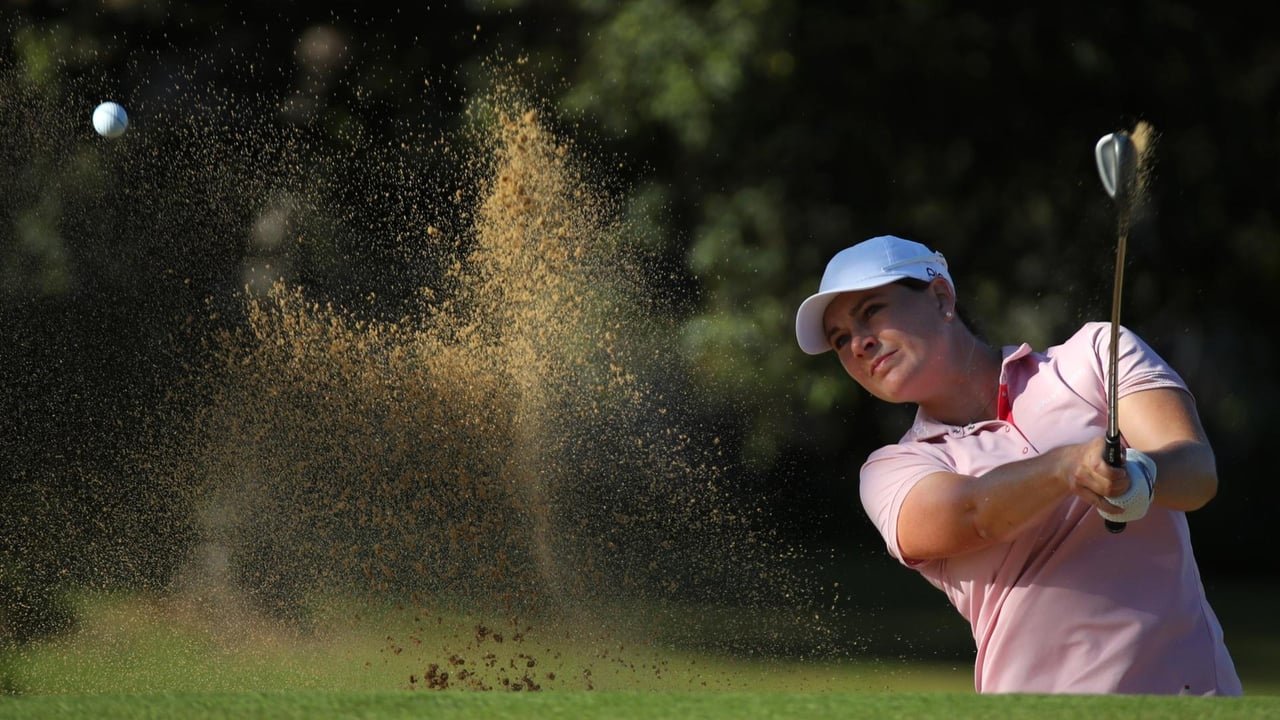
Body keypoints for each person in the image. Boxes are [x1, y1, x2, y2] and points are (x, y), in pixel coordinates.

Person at [794, 234, 1242, 695]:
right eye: (840, 339)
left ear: (941, 297)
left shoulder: (1094, 357)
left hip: (1190, 696)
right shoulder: (893, 470)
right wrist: (1066, 467)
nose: (859, 345)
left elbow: (1195, 471)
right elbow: (973, 514)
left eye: (871, 311)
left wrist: (1141, 476)